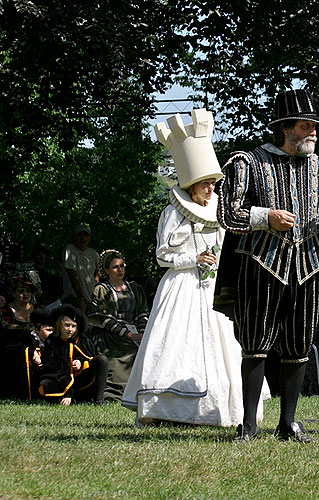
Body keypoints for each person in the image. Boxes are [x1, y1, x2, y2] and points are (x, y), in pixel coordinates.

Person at [216, 89, 319, 442]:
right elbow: (227, 212)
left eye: (315, 126)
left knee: (298, 345)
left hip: (309, 265)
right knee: (256, 343)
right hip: (262, 264)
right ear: (285, 128)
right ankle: (248, 426)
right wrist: (266, 216)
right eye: (306, 126)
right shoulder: (249, 162)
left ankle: (287, 423)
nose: (314, 132)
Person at [123, 108, 250, 427]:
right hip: (181, 286)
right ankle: (168, 409)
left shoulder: (219, 211)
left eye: (213, 183)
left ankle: (220, 411)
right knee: (176, 347)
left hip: (212, 287)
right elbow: (162, 255)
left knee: (220, 347)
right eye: (205, 183)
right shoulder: (173, 213)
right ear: (191, 184)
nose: (211, 188)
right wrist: (192, 259)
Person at [89, 250, 149, 401]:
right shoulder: (102, 290)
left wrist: (141, 332)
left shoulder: (134, 288)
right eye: (115, 267)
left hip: (134, 333)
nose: (120, 270)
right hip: (109, 336)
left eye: (122, 266)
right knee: (122, 352)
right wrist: (128, 334)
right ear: (107, 270)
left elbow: (142, 313)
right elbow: (103, 318)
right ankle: (113, 394)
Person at [38, 304, 108, 405]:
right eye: (67, 325)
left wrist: (80, 362)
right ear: (59, 324)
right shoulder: (52, 341)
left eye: (73, 326)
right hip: (60, 380)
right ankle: (66, 396)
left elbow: (90, 356)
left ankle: (99, 399)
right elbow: (51, 367)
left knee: (102, 359)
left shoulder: (83, 340)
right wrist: (68, 393)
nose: (70, 329)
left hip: (82, 381)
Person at [61, 224, 98, 314]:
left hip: (91, 299)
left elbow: (98, 273)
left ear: (89, 238)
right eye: (80, 234)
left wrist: (96, 292)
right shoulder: (70, 249)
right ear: (75, 237)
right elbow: (72, 273)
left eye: (85, 234)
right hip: (74, 298)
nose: (83, 237)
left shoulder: (93, 253)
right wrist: (80, 297)